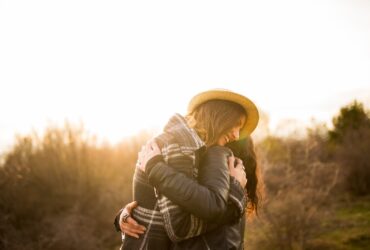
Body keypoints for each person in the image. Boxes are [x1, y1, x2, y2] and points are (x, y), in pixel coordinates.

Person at [114, 89, 259, 249]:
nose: (236, 135)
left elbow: (179, 201)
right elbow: (180, 224)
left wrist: (127, 214)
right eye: (236, 125)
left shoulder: (203, 149)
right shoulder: (180, 144)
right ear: (220, 115)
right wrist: (235, 196)